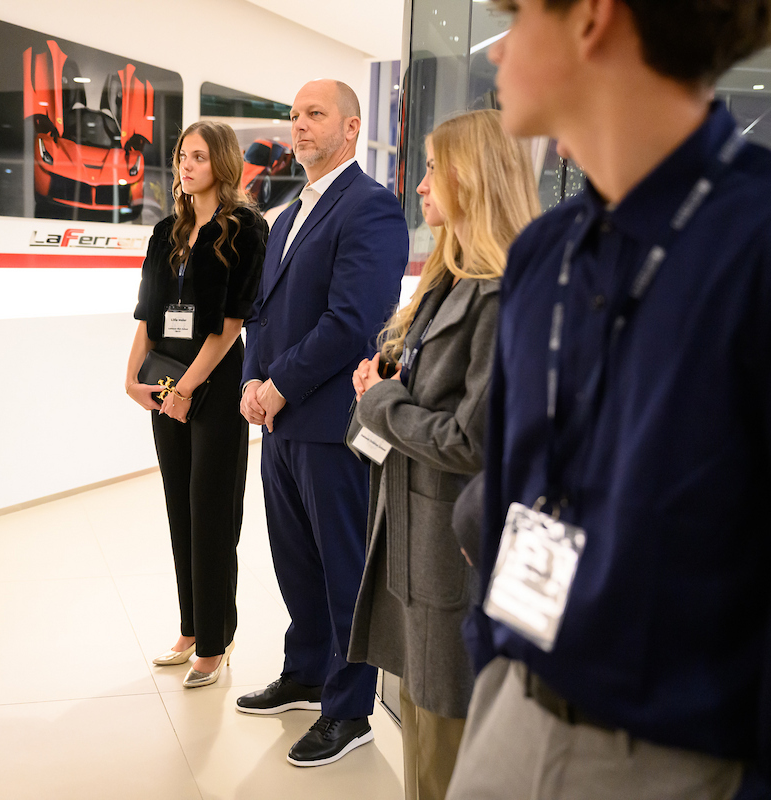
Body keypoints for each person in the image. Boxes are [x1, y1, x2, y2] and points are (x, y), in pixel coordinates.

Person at [448, 1, 771, 798]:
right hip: (507, 716)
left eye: (516, 15)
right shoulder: (541, 254)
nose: (496, 52)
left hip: (680, 762)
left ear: (591, 19)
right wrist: (491, 657)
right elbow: (513, 481)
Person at [347, 110, 539, 800]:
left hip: (448, 555)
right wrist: (382, 387)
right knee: (424, 735)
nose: (421, 186)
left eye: (432, 167)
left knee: (443, 752)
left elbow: (472, 440)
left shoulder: (500, 296)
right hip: (410, 539)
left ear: (472, 178)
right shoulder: (441, 283)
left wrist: (381, 403)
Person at [236, 79, 409, 766]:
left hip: (332, 422)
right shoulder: (286, 214)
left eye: (316, 115)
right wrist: (253, 379)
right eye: (295, 116)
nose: (300, 126)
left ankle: (349, 709)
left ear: (351, 127)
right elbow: (262, 314)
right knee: (295, 563)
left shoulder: (370, 208)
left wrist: (278, 383)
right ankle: (305, 670)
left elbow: (353, 322)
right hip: (280, 423)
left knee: (343, 571)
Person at [125, 121, 267, 688]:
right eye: (183, 155)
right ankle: (189, 627)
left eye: (199, 157)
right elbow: (148, 311)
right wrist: (133, 376)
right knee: (179, 507)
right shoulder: (167, 231)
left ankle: (216, 638)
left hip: (216, 382)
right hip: (165, 378)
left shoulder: (246, 229)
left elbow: (231, 322)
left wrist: (189, 389)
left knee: (212, 513)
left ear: (223, 164)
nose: (186, 166)